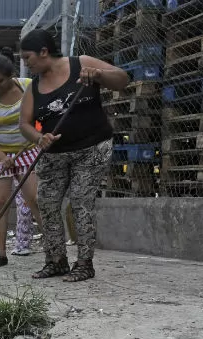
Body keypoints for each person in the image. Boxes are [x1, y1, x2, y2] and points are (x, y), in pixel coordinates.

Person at [19, 29, 127, 282]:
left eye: (27, 57)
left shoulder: (82, 64)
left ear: (44, 52)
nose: (26, 63)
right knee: (46, 203)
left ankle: (85, 263)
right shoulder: (33, 88)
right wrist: (38, 138)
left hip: (91, 150)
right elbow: (24, 123)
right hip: (54, 155)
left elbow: (122, 79)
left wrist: (99, 74)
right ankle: (56, 261)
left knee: (80, 202)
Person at [0, 47, 44, 267]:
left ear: (11, 76)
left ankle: (53, 248)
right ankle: (1, 253)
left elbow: (40, 111)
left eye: (0, 81)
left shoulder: (27, 86)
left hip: (26, 150)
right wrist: (2, 156)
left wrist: (37, 136)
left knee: (34, 199)